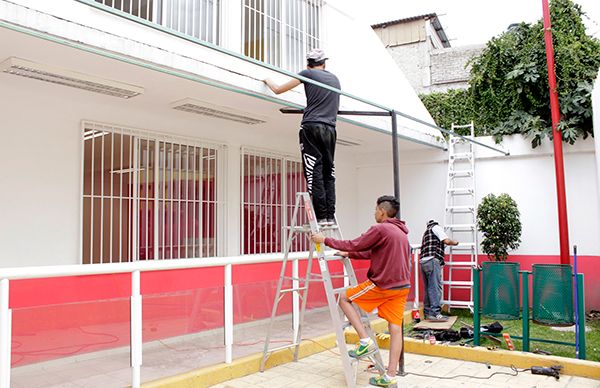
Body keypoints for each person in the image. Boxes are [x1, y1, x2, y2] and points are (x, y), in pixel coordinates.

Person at [311, 196, 410, 387]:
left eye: (375, 209)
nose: (374, 213)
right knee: (395, 329)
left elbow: (357, 244)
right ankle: (389, 376)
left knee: (343, 298)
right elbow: (370, 252)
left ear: (382, 211)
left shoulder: (380, 229)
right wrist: (350, 254)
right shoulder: (400, 232)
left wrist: (326, 240)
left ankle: (365, 341)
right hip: (402, 287)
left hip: (383, 284)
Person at [263, 48, 340, 226]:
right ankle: (329, 215)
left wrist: (267, 80)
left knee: (314, 170)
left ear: (308, 64)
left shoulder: (308, 73)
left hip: (312, 126)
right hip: (330, 128)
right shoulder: (335, 79)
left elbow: (278, 89)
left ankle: (319, 217)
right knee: (329, 172)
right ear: (325, 63)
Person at [419, 219, 459, 322]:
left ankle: (428, 313)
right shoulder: (436, 228)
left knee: (428, 288)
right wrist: (455, 242)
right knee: (435, 287)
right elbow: (446, 241)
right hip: (432, 260)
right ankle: (436, 314)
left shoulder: (426, 233)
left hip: (423, 262)